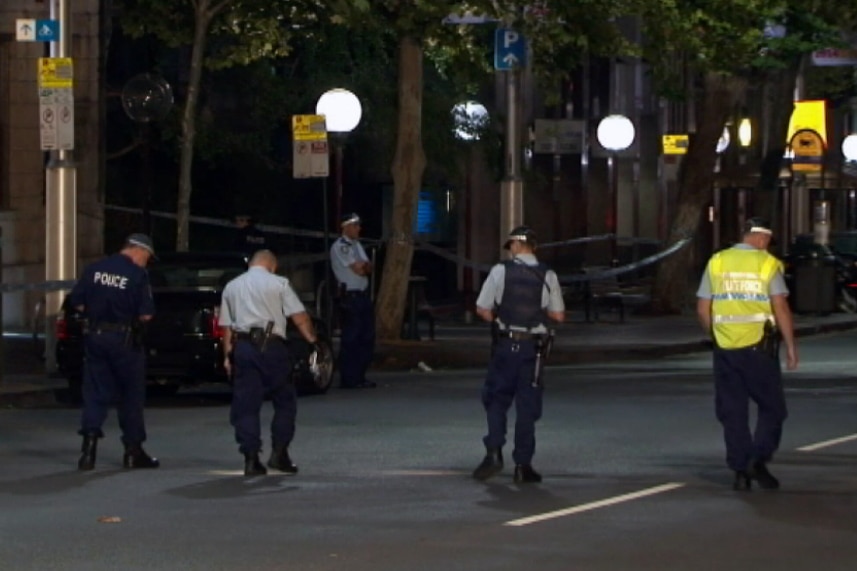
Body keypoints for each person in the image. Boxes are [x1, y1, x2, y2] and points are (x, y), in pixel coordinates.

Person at [696, 217, 798, 491]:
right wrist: (790, 346)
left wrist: (715, 336)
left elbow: (703, 309)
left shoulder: (717, 262)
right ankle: (758, 458)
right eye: (768, 239)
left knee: (733, 411)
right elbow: (781, 308)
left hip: (725, 349)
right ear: (761, 238)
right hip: (759, 349)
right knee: (773, 408)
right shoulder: (766, 264)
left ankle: (740, 470)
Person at [472, 226, 565, 483]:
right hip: (532, 350)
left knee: (496, 399)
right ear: (533, 246)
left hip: (505, 345)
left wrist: (501, 317)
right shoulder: (548, 275)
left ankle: (493, 452)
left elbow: (482, 309)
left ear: (515, 245)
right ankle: (523, 465)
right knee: (527, 407)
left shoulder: (500, 271)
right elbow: (558, 315)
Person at [219, 249, 321, 476]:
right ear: (272, 266)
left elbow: (227, 327)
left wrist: (228, 356)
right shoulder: (279, 283)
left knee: (246, 404)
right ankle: (279, 453)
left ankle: (251, 458)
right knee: (284, 400)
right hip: (273, 346)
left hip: (243, 347)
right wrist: (313, 342)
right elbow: (299, 316)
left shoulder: (232, 286)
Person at [70, 233, 160, 471]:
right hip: (124, 340)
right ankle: (133, 451)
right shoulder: (137, 274)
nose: (147, 262)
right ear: (138, 250)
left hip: (95, 336)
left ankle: (88, 451)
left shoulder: (95, 269)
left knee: (95, 392)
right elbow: (146, 314)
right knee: (130, 395)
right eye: (147, 257)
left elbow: (77, 302)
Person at [330, 212, 376, 389]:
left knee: (366, 336)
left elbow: (368, 267)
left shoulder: (357, 245)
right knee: (352, 337)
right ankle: (349, 378)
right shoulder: (341, 246)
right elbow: (359, 269)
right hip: (350, 296)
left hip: (362, 295)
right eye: (355, 225)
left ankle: (359, 376)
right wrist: (364, 267)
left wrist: (365, 267)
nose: (359, 228)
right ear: (346, 227)